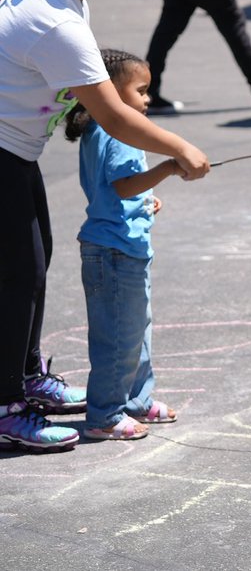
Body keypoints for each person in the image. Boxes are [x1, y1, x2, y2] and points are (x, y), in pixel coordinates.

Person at [0, 0, 209, 452]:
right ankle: (5, 405)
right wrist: (180, 151)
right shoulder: (52, 18)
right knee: (16, 278)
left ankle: (22, 378)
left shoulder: (66, 0)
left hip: (13, 150)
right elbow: (114, 115)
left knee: (33, 261)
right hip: (2, 150)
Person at [64, 50, 181, 440]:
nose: (148, 99)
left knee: (136, 330)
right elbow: (122, 183)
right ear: (111, 91)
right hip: (112, 249)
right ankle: (105, 415)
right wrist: (166, 168)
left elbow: (116, 190)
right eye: (141, 90)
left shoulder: (108, 127)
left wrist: (144, 202)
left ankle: (136, 400)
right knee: (118, 335)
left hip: (122, 243)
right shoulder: (119, 131)